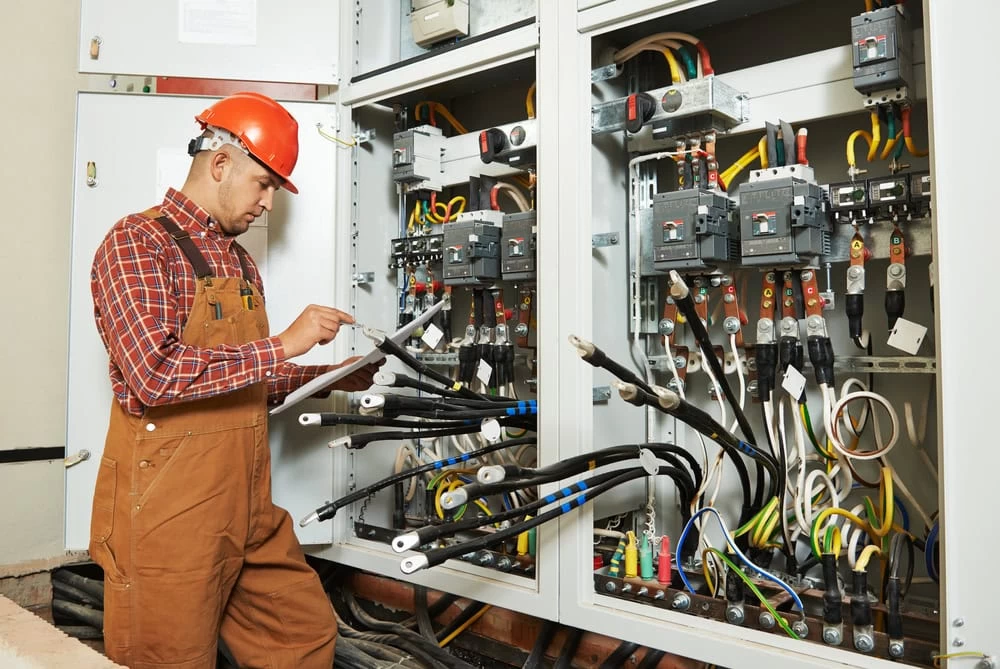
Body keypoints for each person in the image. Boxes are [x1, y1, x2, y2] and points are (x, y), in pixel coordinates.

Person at [89, 91, 376, 668]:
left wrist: (333, 377)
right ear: (220, 164)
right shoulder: (137, 243)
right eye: (264, 184)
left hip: (246, 510)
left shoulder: (239, 262)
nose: (268, 204)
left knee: (301, 637)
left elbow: (247, 380)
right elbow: (153, 376)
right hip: (169, 517)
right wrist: (283, 344)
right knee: (170, 659)